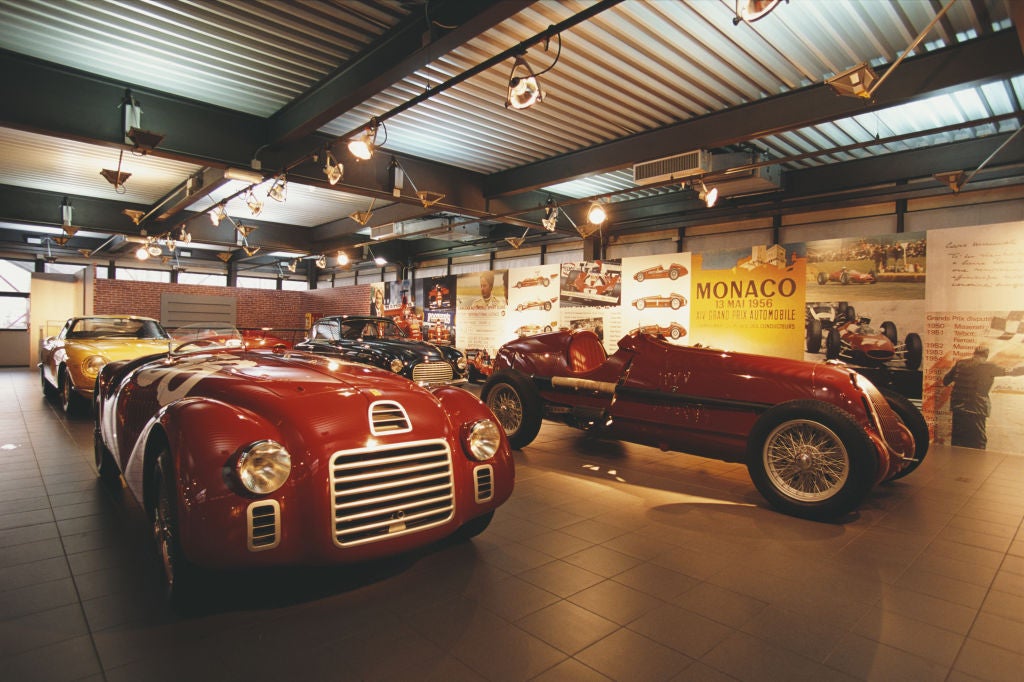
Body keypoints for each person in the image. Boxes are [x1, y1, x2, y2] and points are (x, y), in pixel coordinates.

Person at [942, 345, 1024, 449]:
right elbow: (1012, 371)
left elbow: (945, 381)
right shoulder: (990, 367)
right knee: (978, 442)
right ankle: (977, 464)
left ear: (974, 354)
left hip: (958, 408)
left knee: (958, 440)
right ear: (986, 356)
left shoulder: (960, 364)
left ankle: (955, 463)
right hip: (977, 408)